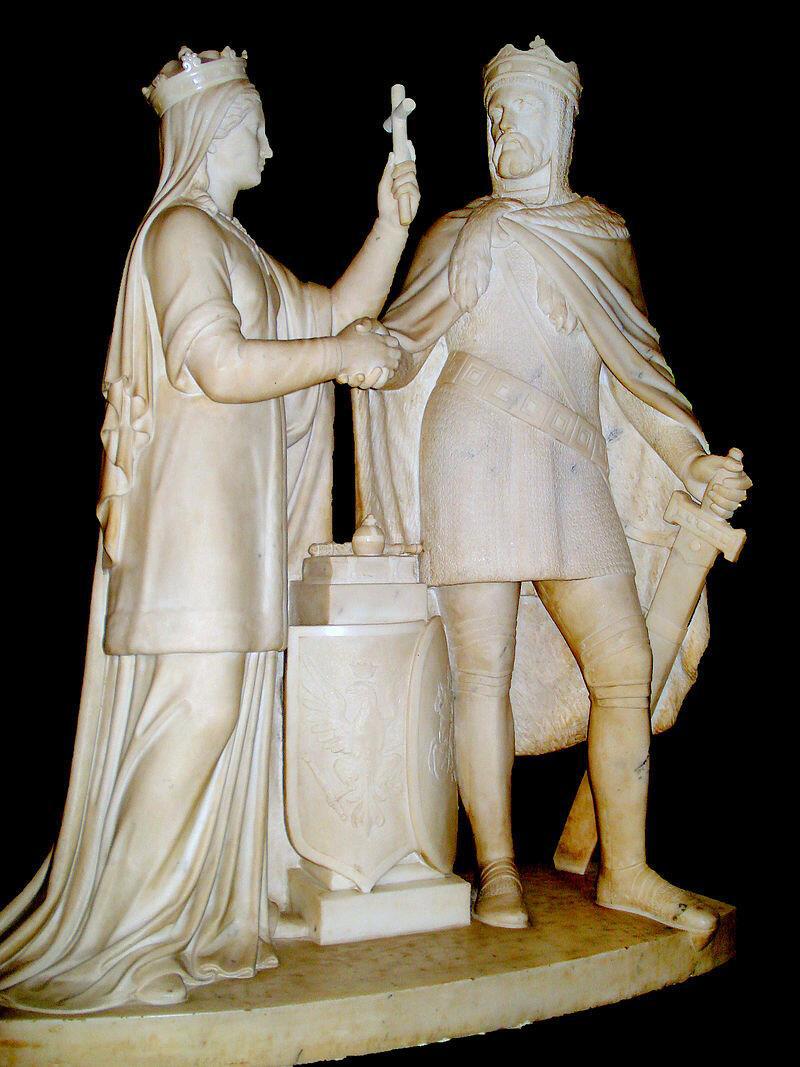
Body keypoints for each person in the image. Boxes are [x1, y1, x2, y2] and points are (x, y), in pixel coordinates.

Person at [0, 45, 419, 1014]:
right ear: (212, 131)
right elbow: (221, 364)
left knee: (218, 715)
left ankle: (182, 921)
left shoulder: (234, 247)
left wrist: (391, 224)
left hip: (234, 524)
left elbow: (332, 310)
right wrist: (339, 353)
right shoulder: (181, 234)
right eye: (254, 128)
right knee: (198, 711)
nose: (267, 147)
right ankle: (124, 937)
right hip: (193, 527)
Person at [353, 38, 750, 932]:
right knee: (481, 670)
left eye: (524, 108)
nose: (505, 128)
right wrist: (359, 334)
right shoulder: (462, 232)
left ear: (566, 122)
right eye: (495, 113)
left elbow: (640, 374)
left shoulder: (601, 237)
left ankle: (627, 869)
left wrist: (690, 460)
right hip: (473, 449)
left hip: (571, 458)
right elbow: (402, 345)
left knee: (624, 665)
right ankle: (495, 868)